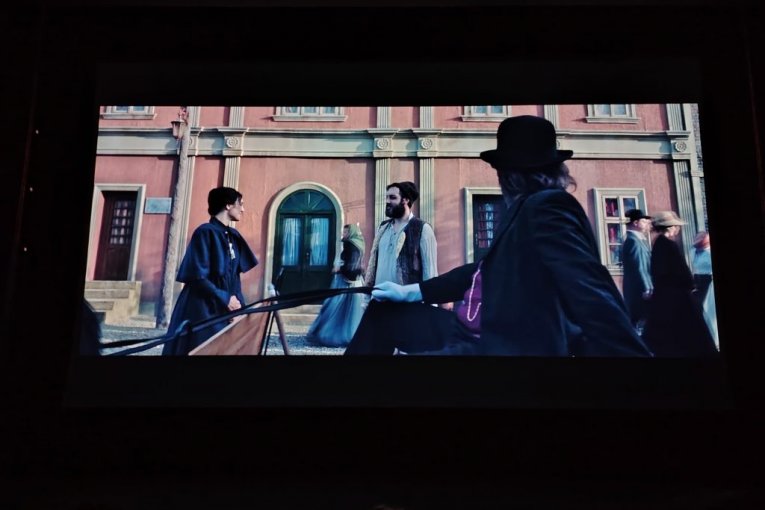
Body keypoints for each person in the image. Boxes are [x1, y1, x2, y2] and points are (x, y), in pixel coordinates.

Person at [344, 115, 652, 357]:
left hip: (501, 345)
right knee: (384, 312)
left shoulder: (549, 207)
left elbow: (591, 292)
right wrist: (411, 291)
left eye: (499, 170)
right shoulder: (526, 208)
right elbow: (481, 271)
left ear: (509, 175)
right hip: (477, 331)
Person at [161, 187, 258, 356]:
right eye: (240, 204)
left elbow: (234, 277)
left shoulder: (233, 235)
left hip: (226, 307)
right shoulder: (204, 232)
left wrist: (238, 307)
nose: (243, 209)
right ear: (228, 205)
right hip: (203, 308)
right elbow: (197, 277)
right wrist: (225, 299)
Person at [641, 211, 717, 356]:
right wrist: (690, 284)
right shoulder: (669, 245)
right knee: (690, 334)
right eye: (676, 226)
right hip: (677, 296)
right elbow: (681, 270)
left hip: (664, 295)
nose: (678, 229)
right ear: (670, 227)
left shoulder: (658, 243)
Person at [363, 181, 438, 291]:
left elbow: (430, 274)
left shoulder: (422, 229)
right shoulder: (382, 228)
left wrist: (429, 298)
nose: (387, 201)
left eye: (392, 197)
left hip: (406, 299)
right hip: (378, 297)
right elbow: (373, 266)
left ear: (405, 200)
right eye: (386, 197)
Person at [305, 223, 366, 347]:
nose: (343, 234)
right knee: (346, 311)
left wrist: (338, 269)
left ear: (351, 233)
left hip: (346, 282)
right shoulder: (358, 244)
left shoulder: (351, 245)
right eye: (344, 232)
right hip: (353, 280)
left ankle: (336, 335)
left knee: (336, 308)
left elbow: (351, 265)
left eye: (346, 232)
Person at [620, 208, 654, 332]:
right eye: (644, 221)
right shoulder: (633, 241)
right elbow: (640, 266)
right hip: (639, 289)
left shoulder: (638, 240)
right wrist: (647, 287)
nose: (648, 224)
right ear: (635, 223)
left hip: (637, 288)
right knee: (639, 321)